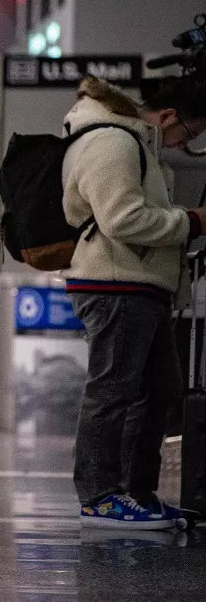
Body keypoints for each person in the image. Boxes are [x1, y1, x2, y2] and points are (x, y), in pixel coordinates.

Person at [61, 75, 206, 530]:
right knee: (113, 389)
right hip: (115, 282)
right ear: (167, 116)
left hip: (139, 283)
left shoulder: (134, 144)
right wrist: (192, 221)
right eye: (189, 132)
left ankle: (135, 493)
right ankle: (100, 494)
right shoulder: (114, 142)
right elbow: (123, 218)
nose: (187, 143)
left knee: (159, 390)